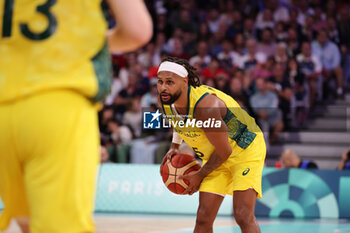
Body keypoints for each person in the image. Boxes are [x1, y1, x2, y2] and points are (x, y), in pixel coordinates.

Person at [0, 0, 152, 232]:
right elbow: (137, 30)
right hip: (59, 106)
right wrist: (86, 42)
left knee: (27, 222)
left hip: (4, 104)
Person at [158, 57, 266, 233]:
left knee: (243, 215)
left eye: (170, 82)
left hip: (245, 151)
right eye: (160, 82)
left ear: (185, 82)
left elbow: (225, 152)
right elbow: (178, 120)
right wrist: (175, 146)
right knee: (203, 218)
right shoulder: (167, 99)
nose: (163, 87)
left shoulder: (206, 108)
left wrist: (200, 174)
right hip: (217, 154)